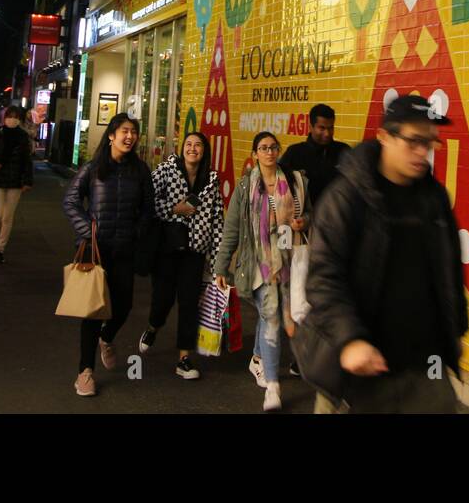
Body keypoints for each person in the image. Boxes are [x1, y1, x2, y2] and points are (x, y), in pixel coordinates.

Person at [295, 95, 467, 414]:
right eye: (413, 141)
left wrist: (453, 329)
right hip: (359, 367)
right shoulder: (346, 197)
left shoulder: (434, 198)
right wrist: (350, 341)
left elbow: (447, 270)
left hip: (424, 365)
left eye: (429, 142)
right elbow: (324, 278)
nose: (422, 152)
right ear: (385, 136)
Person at [213, 130, 309, 411]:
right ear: (254, 154)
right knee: (273, 318)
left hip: (289, 262)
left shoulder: (294, 181)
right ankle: (273, 387)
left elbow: (310, 214)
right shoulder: (246, 188)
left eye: (273, 147)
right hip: (257, 265)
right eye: (263, 148)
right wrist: (221, 265)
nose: (269, 152)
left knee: (273, 316)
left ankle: (257, 358)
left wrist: (303, 222)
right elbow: (231, 230)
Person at [63, 113, 154, 398]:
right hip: (96, 250)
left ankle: (107, 337)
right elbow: (70, 200)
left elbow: (148, 209)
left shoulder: (140, 171)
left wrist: (137, 231)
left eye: (134, 132)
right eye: (124, 131)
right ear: (111, 135)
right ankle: (85, 372)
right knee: (91, 311)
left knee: (124, 306)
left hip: (125, 248)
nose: (130, 136)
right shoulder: (93, 168)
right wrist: (87, 231)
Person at [140, 132, 224, 380]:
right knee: (163, 301)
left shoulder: (211, 180)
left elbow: (217, 220)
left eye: (198, 145)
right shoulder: (166, 170)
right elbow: (148, 202)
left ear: (204, 150)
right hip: (166, 249)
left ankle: (184, 359)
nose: (193, 149)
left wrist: (218, 261)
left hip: (194, 252)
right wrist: (173, 208)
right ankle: (153, 327)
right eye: (188, 144)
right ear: (181, 148)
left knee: (189, 304)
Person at [0, 106, 34, 265]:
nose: (12, 119)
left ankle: (0, 250)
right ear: (4, 118)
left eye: (16, 116)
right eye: (10, 116)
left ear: (20, 119)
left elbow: (27, 161)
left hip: (15, 182)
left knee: (7, 218)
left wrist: (28, 181)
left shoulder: (24, 137)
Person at [280, 104, 351, 205]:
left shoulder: (344, 151)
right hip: (304, 218)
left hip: (335, 216)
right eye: (322, 128)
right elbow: (280, 189)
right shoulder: (294, 153)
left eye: (330, 128)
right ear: (310, 127)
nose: (327, 133)